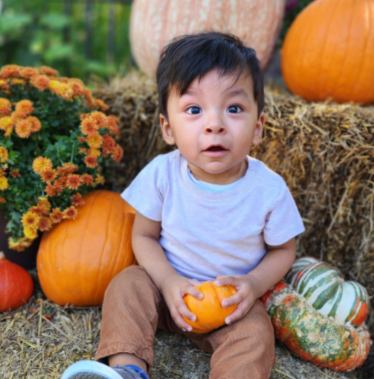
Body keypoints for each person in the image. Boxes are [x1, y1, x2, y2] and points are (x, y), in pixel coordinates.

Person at [61, 31, 305, 379]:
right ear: (167, 128)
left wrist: (252, 285)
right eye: (194, 109)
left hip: (227, 307)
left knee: (255, 332)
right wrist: (168, 281)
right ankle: (128, 367)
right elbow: (144, 237)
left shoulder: (269, 189)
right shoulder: (162, 174)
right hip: (165, 293)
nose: (215, 124)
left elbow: (283, 250)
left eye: (234, 108)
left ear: (258, 127)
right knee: (127, 284)